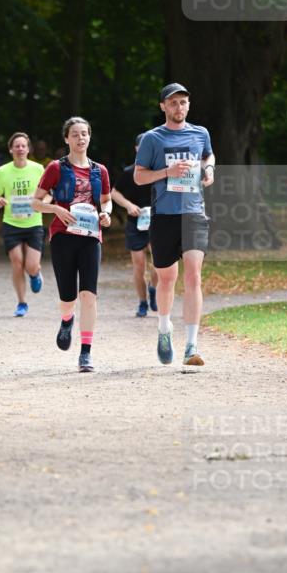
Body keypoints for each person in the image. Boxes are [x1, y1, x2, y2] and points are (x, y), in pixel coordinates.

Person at [134, 83, 215, 366]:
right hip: (164, 216)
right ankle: (164, 329)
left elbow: (208, 154)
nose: (178, 107)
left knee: (193, 276)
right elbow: (139, 177)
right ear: (163, 107)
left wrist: (209, 170)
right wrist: (167, 171)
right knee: (167, 279)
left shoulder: (200, 133)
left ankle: (191, 345)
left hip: (194, 213)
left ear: (188, 105)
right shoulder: (152, 138)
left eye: (183, 102)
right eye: (173, 103)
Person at [32, 116, 112, 373]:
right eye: (75, 134)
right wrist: (56, 209)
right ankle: (67, 319)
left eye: (84, 133)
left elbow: (106, 199)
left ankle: (85, 353)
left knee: (88, 295)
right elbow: (35, 202)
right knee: (68, 298)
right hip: (63, 236)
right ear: (67, 139)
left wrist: (106, 213)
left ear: (90, 137)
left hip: (90, 237)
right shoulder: (56, 168)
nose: (80, 138)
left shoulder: (100, 170)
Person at [0, 132, 44, 315]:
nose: (20, 149)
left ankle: (35, 273)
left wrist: (42, 204)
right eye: (17, 146)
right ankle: (22, 303)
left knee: (30, 266)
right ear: (10, 149)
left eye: (23, 146)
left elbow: (49, 193)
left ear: (28, 149)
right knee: (17, 262)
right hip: (11, 223)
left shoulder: (38, 169)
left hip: (33, 223)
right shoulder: (2, 171)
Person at [112, 134, 158, 317]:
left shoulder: (160, 171)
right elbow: (114, 193)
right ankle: (142, 302)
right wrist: (129, 205)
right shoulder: (129, 172)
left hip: (157, 222)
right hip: (135, 223)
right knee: (139, 265)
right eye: (142, 146)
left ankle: (153, 288)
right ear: (136, 149)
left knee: (159, 263)